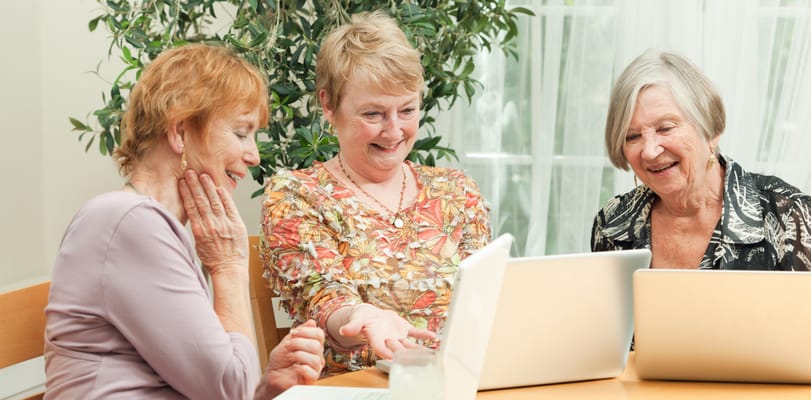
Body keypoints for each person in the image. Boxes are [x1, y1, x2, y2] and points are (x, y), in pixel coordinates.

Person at [44, 44, 325, 399]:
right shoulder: (129, 223)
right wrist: (229, 266)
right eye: (241, 133)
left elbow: (213, 385)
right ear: (179, 132)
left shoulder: (148, 225)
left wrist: (265, 385)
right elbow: (228, 390)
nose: (254, 156)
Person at [260, 11, 492, 376]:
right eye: (373, 114)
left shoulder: (457, 192)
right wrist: (361, 318)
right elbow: (325, 299)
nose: (394, 130)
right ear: (328, 106)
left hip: (458, 383)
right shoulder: (296, 195)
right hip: (356, 389)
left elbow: (486, 302)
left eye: (407, 109)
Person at [591, 49, 811, 270]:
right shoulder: (612, 222)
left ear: (711, 130)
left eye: (665, 128)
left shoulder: (790, 216)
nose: (649, 151)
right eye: (633, 136)